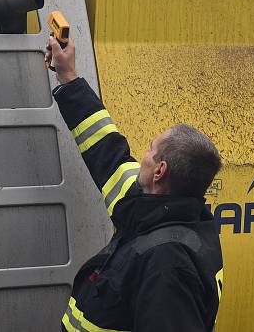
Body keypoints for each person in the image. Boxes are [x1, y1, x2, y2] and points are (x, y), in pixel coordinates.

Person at [46, 35, 224, 332]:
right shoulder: (152, 206)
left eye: (150, 149)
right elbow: (108, 151)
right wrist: (68, 77)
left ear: (160, 171)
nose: (143, 155)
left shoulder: (167, 264)